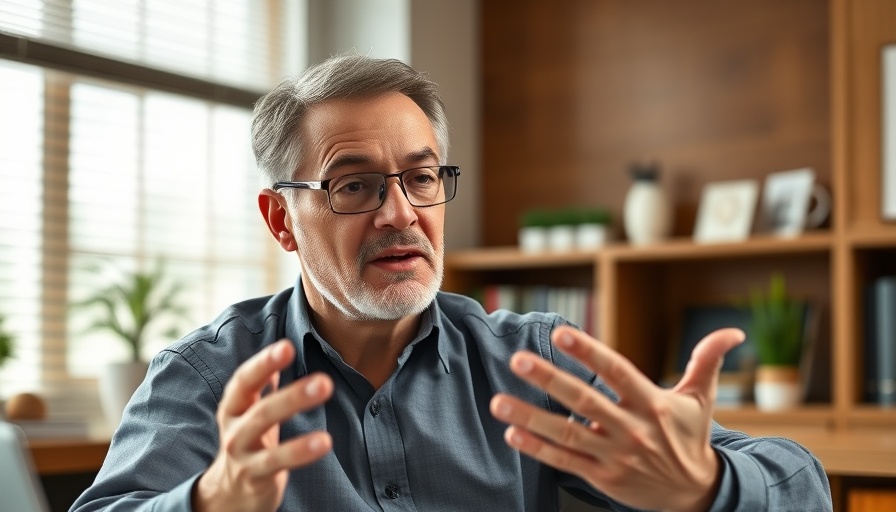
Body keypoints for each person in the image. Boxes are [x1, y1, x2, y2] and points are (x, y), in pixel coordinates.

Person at [71, 54, 832, 512]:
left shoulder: (533, 362)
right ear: (281, 221)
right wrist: (209, 503)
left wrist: (704, 486)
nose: (400, 214)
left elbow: (802, 486)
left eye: (422, 177)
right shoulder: (211, 377)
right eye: (355, 185)